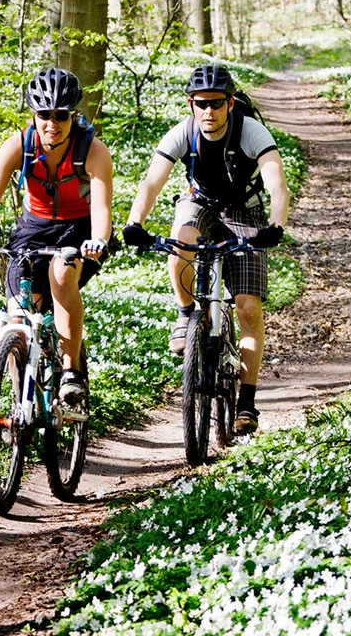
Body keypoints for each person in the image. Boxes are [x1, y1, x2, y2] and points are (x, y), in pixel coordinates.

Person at [121, 63, 289, 436]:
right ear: (191, 104)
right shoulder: (184, 132)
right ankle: (185, 315)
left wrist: (275, 226)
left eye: (216, 103)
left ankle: (246, 400)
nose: (208, 111)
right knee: (181, 238)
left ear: (230, 103)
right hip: (200, 203)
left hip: (245, 210)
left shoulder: (251, 131)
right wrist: (135, 222)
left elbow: (276, 182)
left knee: (247, 307)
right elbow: (152, 181)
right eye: (200, 104)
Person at [0, 68, 112, 418]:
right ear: (33, 115)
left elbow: (101, 207)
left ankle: (71, 374)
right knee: (16, 319)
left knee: (60, 276)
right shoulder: (19, 145)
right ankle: (17, 397)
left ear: (73, 116)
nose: (52, 123)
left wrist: (98, 240)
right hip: (32, 228)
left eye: (60, 116)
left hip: (79, 229)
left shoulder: (93, 150)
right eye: (44, 115)